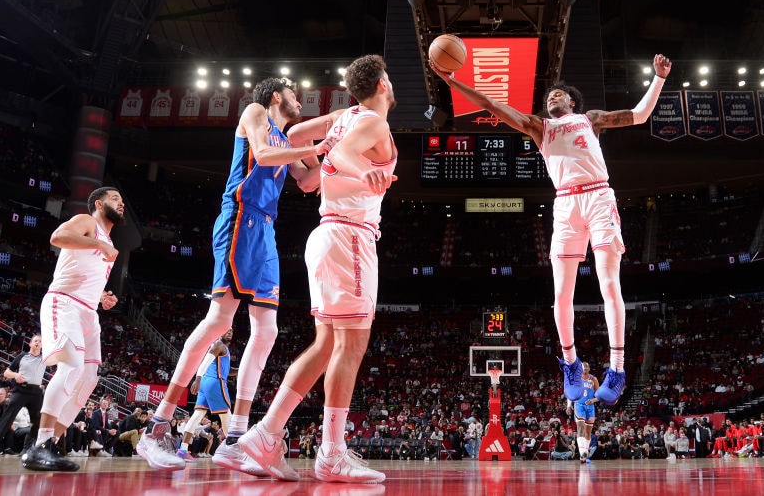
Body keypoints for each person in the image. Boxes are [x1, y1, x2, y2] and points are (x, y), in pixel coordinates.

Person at [433, 54, 672, 405]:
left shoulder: (591, 120)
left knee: (609, 283)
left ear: (572, 101)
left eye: (557, 96)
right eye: (548, 98)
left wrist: (659, 78)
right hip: (565, 205)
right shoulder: (538, 127)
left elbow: (640, 115)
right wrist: (453, 82)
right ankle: (571, 364)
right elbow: (492, 104)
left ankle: (617, 369)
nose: (551, 99)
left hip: (598, 197)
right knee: (561, 294)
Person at [137, 77, 326, 472]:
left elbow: (309, 182)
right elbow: (263, 153)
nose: (298, 101)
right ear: (277, 96)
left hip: (266, 229)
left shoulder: (285, 138)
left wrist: (341, 159)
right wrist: (316, 146)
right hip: (241, 217)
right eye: (293, 94)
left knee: (268, 330)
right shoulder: (256, 113)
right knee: (220, 319)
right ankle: (156, 427)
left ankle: (237, 437)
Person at [234, 54, 398, 484]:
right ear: (382, 84)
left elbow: (293, 132)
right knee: (351, 346)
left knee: (326, 345)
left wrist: (324, 154)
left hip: (328, 235)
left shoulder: (346, 115)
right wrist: (366, 171)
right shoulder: (374, 124)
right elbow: (342, 153)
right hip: (349, 238)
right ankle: (331, 453)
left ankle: (266, 435)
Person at [20, 186, 123, 472]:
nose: (121, 204)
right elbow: (58, 236)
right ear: (99, 204)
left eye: (122, 200)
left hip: (88, 312)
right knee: (71, 367)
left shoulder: (108, 238)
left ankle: (50, 444)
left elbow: (84, 272)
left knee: (88, 377)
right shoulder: (87, 222)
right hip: (64, 302)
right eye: (115, 199)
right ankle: (38, 445)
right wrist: (99, 246)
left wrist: (102, 297)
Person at [177, 328, 234, 461]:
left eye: (231, 330)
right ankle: (233, 451)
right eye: (226, 329)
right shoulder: (218, 344)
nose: (229, 331)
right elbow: (205, 362)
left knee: (197, 415)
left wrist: (241, 369)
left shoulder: (223, 348)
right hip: (215, 382)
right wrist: (197, 378)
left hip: (207, 383)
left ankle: (183, 449)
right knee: (226, 415)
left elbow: (227, 370)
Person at [0, 334, 47, 459]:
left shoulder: (45, 358)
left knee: (37, 422)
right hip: (20, 390)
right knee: (7, 419)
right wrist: (15, 375)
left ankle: (28, 449)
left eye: (40, 341)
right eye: (35, 340)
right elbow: (6, 372)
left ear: (42, 345)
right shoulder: (22, 356)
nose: (38, 343)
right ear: (30, 343)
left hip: (36, 392)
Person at [572, 362, 599, 463]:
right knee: (580, 427)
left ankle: (584, 455)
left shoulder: (593, 379)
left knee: (588, 431)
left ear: (589, 368)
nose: (585, 368)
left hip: (590, 406)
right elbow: (570, 393)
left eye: (587, 366)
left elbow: (599, 395)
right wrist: (569, 406)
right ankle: (582, 452)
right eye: (583, 366)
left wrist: (593, 400)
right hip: (579, 404)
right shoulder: (576, 379)